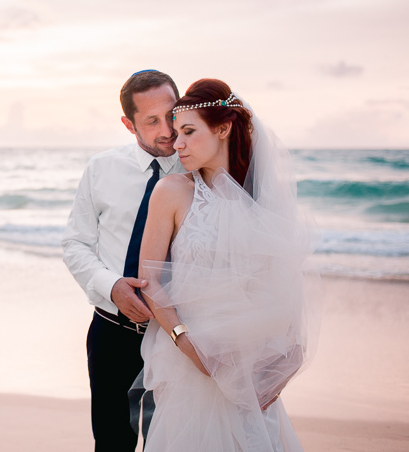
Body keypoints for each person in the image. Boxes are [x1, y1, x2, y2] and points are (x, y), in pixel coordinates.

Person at [137, 78, 321, 451]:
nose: (178, 143)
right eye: (176, 133)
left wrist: (286, 362)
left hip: (253, 369)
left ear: (223, 129)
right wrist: (191, 347)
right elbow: (149, 282)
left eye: (189, 131)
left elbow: (285, 287)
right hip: (194, 365)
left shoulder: (262, 202)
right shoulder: (171, 192)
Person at [62, 70, 185, 451]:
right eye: (151, 122)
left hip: (179, 335)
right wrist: (111, 286)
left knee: (172, 441)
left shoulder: (200, 170)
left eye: (172, 115)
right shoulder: (101, 169)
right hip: (111, 332)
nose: (167, 130)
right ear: (128, 124)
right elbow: (75, 243)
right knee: (112, 442)